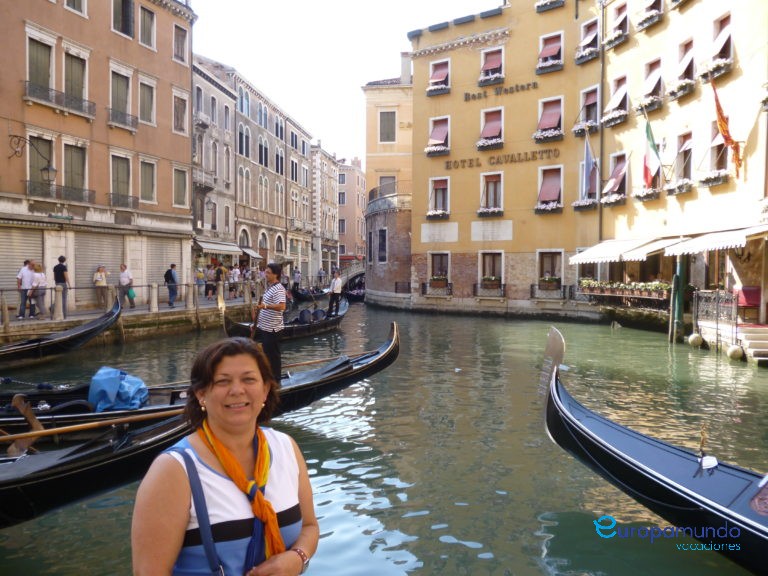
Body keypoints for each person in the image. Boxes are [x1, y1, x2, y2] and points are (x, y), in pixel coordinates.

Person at [131, 337, 318, 576]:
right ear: (201, 394)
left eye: (249, 379)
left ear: (265, 390)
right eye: (222, 381)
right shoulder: (173, 471)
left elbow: (310, 527)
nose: (237, 390)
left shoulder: (286, 448)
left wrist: (297, 558)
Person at [256, 263, 286, 381]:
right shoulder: (270, 287)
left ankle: (276, 380)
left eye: (268, 273)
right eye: (265, 272)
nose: (265, 274)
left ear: (276, 275)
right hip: (265, 327)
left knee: (273, 356)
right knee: (267, 355)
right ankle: (270, 377)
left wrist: (265, 306)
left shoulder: (278, 289)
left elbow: (282, 306)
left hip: (273, 329)